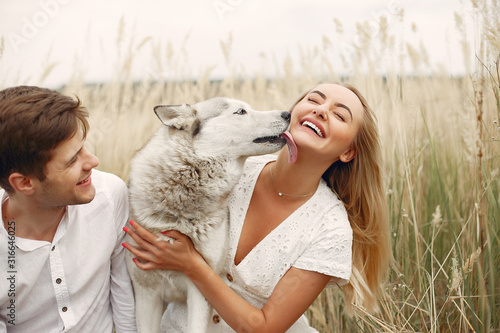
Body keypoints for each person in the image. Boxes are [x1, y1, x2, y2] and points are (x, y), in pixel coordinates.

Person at [123, 83, 391, 332]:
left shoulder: (329, 229)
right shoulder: (225, 172)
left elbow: (264, 328)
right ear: (294, 112)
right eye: (313, 100)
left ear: (348, 152)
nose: (321, 110)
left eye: (340, 115)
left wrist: (192, 265)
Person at [0, 86, 137, 332]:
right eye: (73, 160)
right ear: (24, 183)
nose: (93, 161)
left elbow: (123, 292)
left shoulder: (110, 196)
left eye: (84, 147)